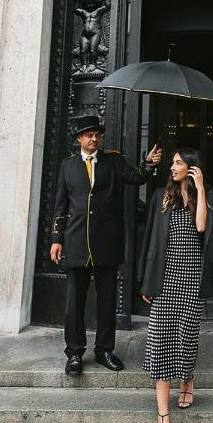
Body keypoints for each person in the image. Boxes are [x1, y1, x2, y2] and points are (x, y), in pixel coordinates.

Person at [50, 114, 162, 375]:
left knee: (107, 299)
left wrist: (148, 164)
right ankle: (75, 353)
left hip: (107, 242)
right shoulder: (67, 166)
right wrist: (57, 239)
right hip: (76, 241)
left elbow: (135, 177)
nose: (94, 138)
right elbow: (60, 206)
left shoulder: (112, 160)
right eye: (89, 135)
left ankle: (104, 350)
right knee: (74, 301)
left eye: (97, 134)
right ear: (79, 138)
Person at [139, 148, 213, 423]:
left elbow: (202, 227)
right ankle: (163, 419)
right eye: (172, 162)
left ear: (192, 168)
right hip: (165, 278)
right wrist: (147, 280)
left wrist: (199, 189)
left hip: (191, 280)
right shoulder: (162, 195)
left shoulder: (206, 196)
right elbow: (151, 240)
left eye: (177, 163)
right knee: (160, 343)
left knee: (186, 339)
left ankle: (187, 378)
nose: (171, 167)